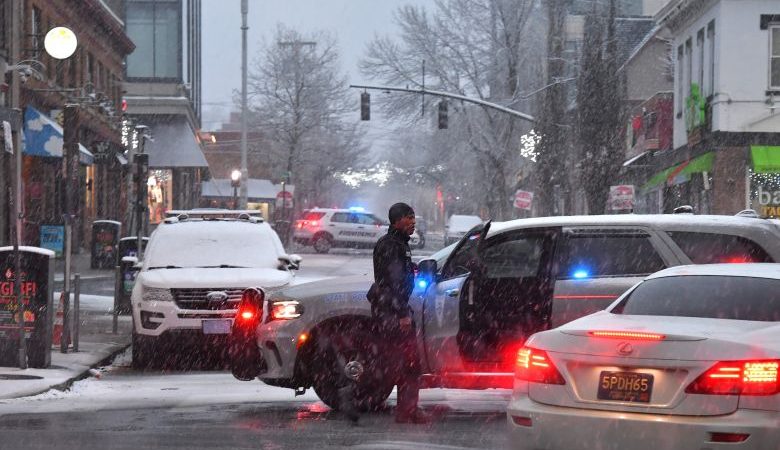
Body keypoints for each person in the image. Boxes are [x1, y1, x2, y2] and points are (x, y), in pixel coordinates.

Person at [365, 202, 432, 424]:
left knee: (395, 362)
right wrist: (402, 313)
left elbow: (396, 278)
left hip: (389, 310)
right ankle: (407, 410)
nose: (413, 222)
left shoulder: (396, 244)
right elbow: (392, 283)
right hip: (393, 313)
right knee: (409, 363)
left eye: (413, 217)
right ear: (396, 221)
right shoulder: (392, 246)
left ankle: (402, 407)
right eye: (409, 217)